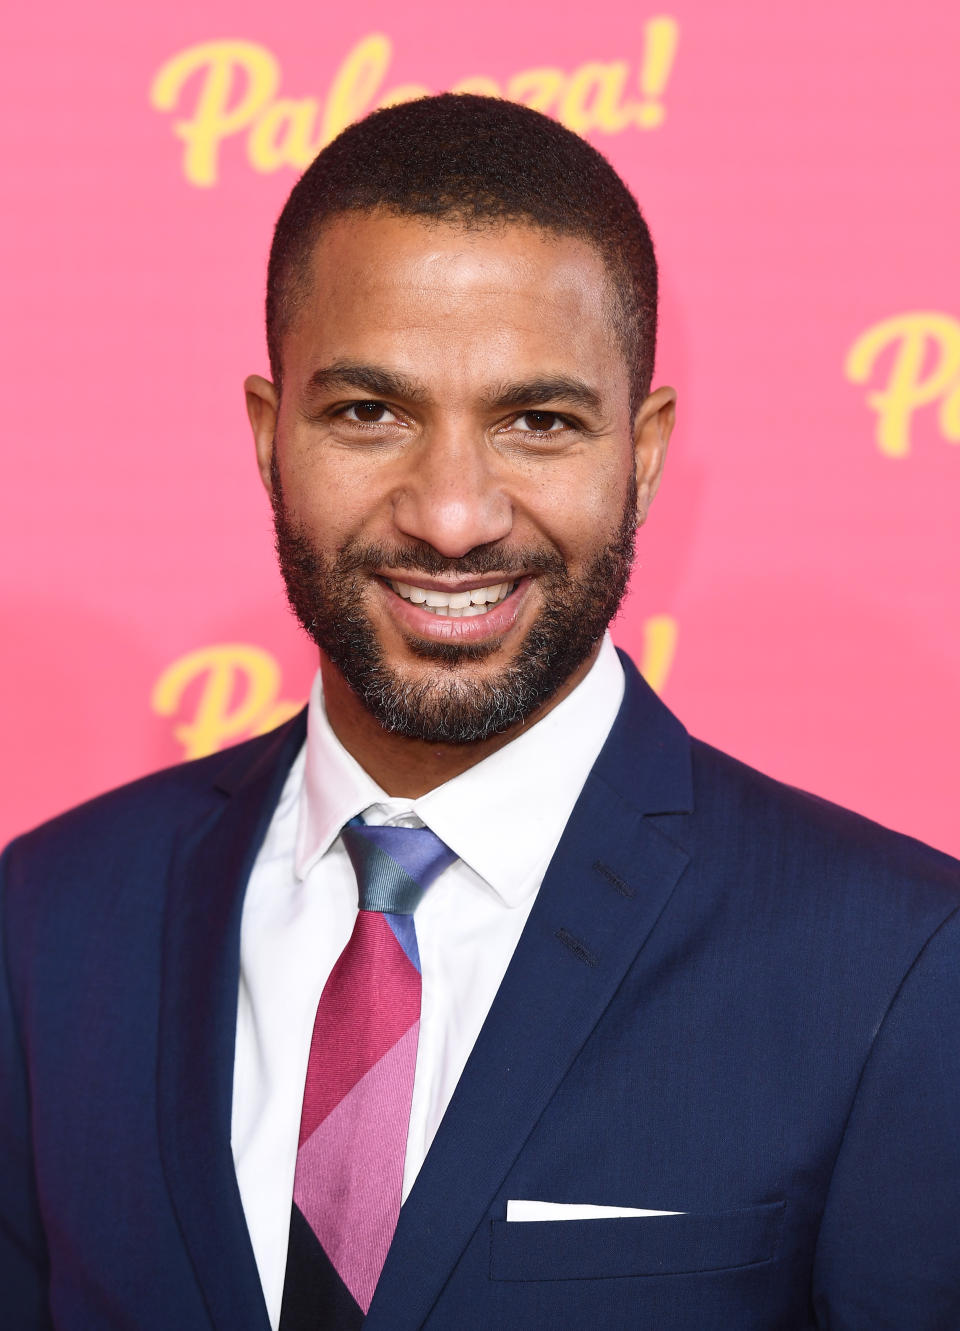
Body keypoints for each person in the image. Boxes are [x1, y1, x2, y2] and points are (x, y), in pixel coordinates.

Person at [2, 94, 959, 1331]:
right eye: (370, 412)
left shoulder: (894, 966)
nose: (453, 515)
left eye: (538, 421)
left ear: (645, 452)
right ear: (267, 435)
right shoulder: (49, 923)